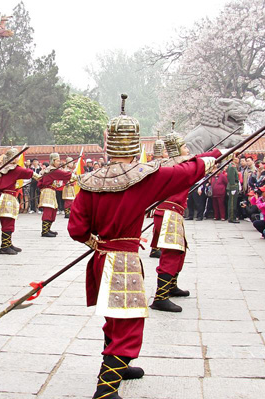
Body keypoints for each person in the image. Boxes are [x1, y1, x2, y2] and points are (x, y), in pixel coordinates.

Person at [68, 95, 216, 399]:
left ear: (109, 145)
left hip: (100, 257)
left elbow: (76, 229)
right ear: (136, 145)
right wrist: (211, 156)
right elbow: (187, 172)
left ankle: (118, 367)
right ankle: (105, 390)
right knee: (129, 322)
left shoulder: (89, 180)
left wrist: (94, 242)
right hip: (123, 262)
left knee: (114, 316)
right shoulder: (145, 178)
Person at [149, 132, 222, 312]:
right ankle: (161, 296)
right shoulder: (181, 164)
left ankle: (171, 286)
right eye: (185, 147)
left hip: (168, 213)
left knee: (179, 252)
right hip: (169, 213)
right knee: (172, 254)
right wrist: (222, 151)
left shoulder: (165, 164)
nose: (188, 150)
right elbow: (204, 158)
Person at [0, 148, 38, 254]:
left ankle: (8, 243)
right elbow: (28, 173)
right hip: (8, 198)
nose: (18, 159)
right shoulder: (14, 169)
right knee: (8, 222)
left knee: (8, 221)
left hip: (4, 197)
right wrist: (40, 176)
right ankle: (4, 246)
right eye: (17, 156)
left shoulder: (4, 168)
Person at [38, 153, 73, 237]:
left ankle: (48, 229)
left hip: (51, 191)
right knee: (48, 210)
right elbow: (65, 175)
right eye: (57, 160)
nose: (59, 162)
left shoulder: (51, 169)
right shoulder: (52, 170)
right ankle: (44, 231)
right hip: (48, 192)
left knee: (52, 210)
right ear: (52, 161)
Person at [227, 156, 240, 223]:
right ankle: (232, 218)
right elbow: (231, 177)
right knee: (232, 203)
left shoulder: (233, 166)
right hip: (233, 186)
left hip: (235, 185)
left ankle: (233, 217)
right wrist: (233, 187)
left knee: (233, 203)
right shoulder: (232, 167)